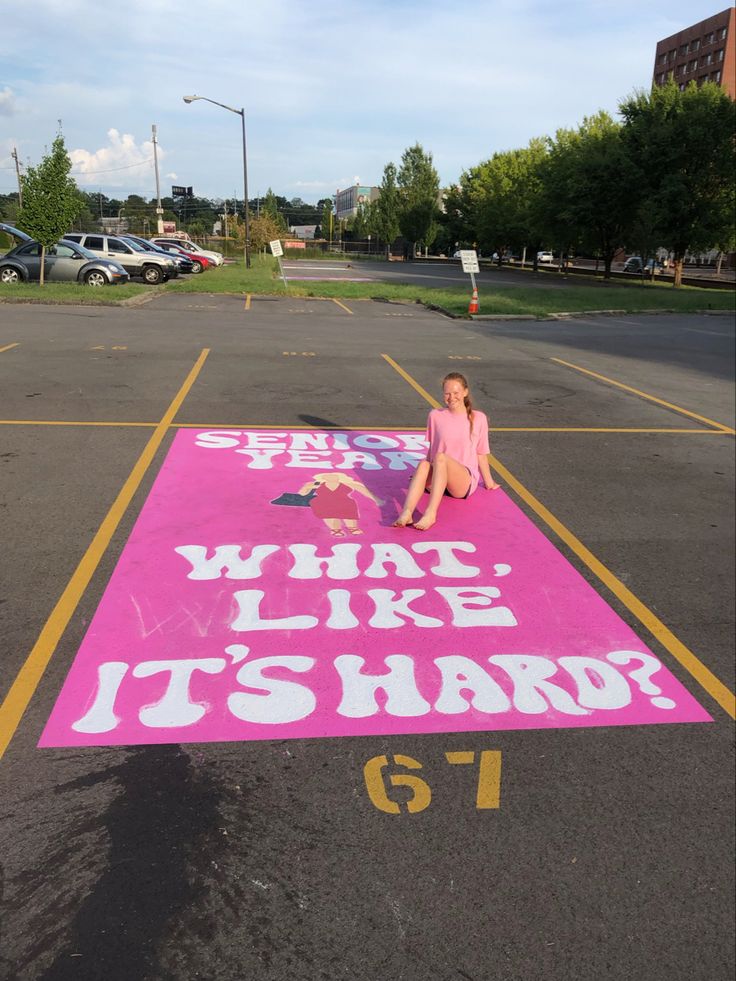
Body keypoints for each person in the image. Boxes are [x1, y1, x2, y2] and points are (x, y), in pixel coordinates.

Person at [393, 372, 500, 531]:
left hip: (461, 482)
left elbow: (481, 453)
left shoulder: (478, 418)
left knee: (441, 458)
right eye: (447, 394)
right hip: (437, 479)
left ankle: (430, 513)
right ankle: (407, 513)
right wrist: (421, 476)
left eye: (456, 393)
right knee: (423, 464)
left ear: (465, 392)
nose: (451, 397)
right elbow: (432, 448)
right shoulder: (435, 415)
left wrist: (489, 482)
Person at [298, 471, 383, 536]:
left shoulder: (348, 483)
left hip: (344, 501)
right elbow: (302, 494)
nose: (330, 477)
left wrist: (376, 499)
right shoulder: (315, 484)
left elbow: (363, 490)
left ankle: (352, 528)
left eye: (333, 476)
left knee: (349, 513)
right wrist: (308, 487)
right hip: (324, 502)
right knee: (330, 515)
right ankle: (336, 529)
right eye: (327, 476)